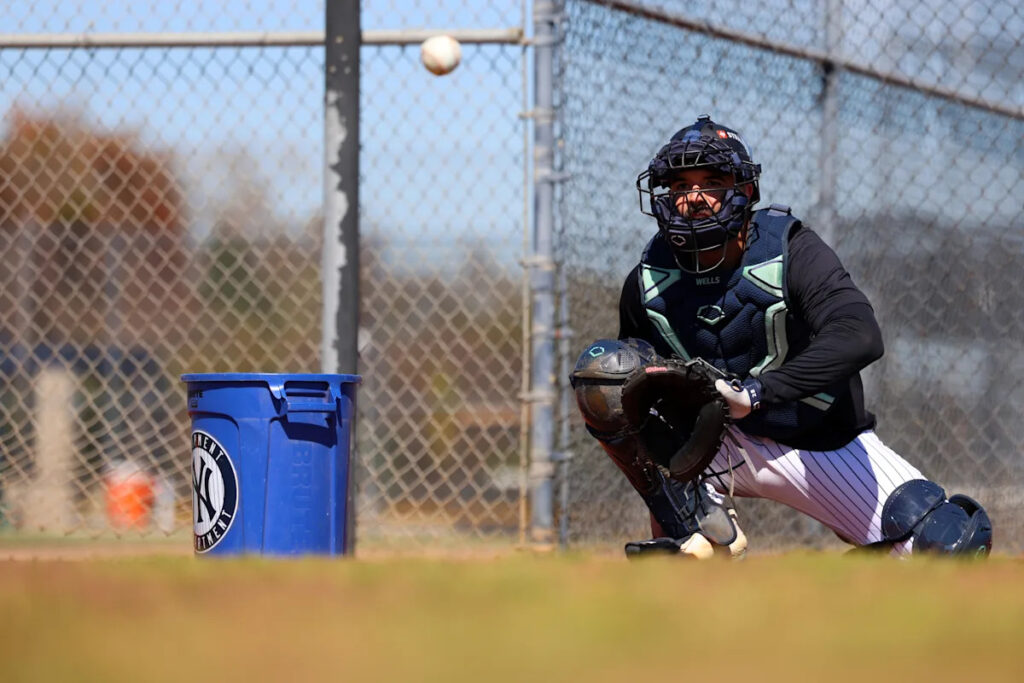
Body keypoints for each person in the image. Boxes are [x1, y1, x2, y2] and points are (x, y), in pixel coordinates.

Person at [570, 115, 992, 558]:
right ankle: (693, 531)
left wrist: (756, 393)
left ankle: (847, 581)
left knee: (948, 545)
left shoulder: (791, 249)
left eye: (711, 182)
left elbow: (860, 335)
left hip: (818, 441)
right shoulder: (648, 279)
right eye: (679, 186)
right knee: (607, 376)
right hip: (710, 447)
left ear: (746, 191)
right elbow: (634, 402)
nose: (693, 198)